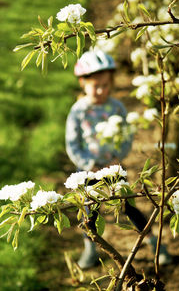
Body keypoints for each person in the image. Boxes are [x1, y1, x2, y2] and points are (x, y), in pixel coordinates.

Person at [65, 50, 171, 269]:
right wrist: (89, 164)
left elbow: (126, 137)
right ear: (83, 83)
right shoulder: (78, 112)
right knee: (89, 212)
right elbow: (72, 144)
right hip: (88, 172)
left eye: (106, 85)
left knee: (128, 206)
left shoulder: (117, 108)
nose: (102, 90)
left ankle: (154, 242)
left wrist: (116, 157)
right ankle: (91, 249)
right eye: (96, 86)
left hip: (113, 169)